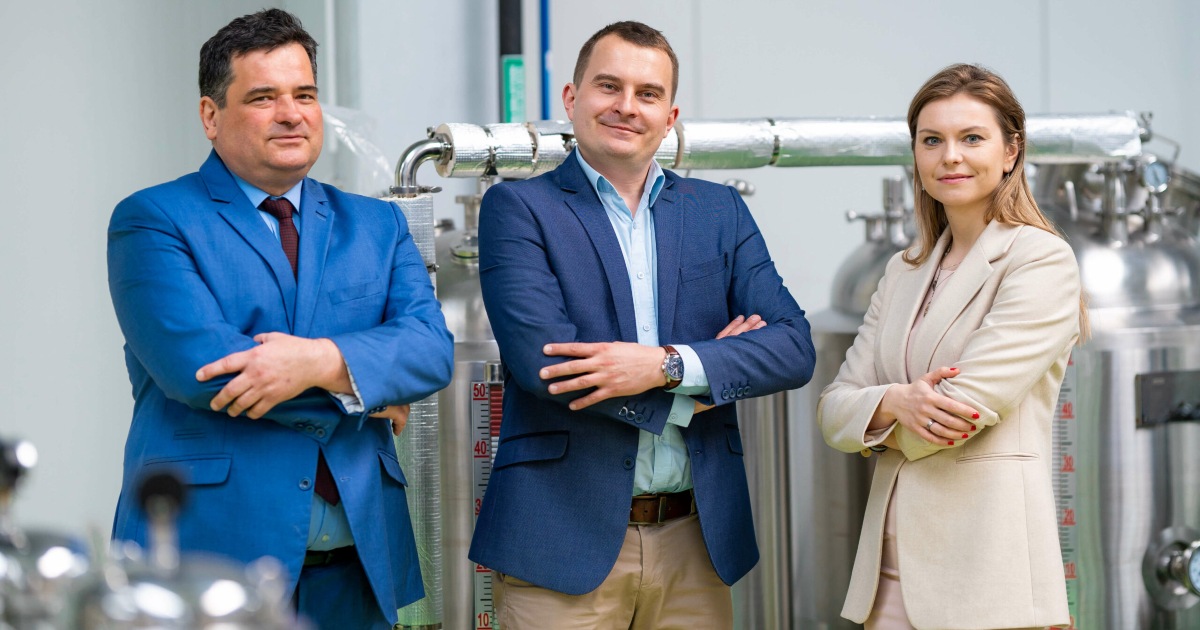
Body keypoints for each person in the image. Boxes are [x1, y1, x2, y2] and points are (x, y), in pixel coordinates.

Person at [106, 9, 453, 629]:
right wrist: (365, 388)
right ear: (211, 115)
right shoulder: (154, 219)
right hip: (211, 558)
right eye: (263, 97)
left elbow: (431, 351)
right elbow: (203, 372)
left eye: (305, 95)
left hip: (356, 565)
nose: (291, 114)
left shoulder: (377, 225)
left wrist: (321, 361)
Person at [468, 20, 814, 629]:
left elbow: (792, 347)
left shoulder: (718, 211)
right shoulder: (519, 209)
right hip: (559, 541)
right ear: (572, 98)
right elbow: (546, 365)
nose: (627, 106)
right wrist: (698, 389)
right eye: (609, 86)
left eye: (648, 93)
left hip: (695, 543)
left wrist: (665, 366)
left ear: (670, 115)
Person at [818, 63, 1086, 630]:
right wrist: (895, 401)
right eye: (932, 140)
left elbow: (960, 412)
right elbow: (833, 411)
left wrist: (875, 422)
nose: (950, 157)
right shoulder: (903, 271)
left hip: (988, 576)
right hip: (887, 575)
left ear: (1010, 151)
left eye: (972, 138)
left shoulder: (1039, 259)